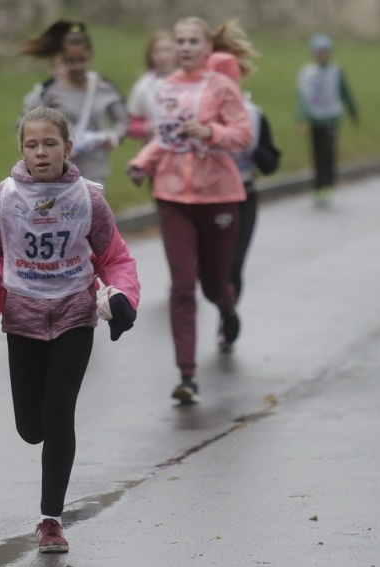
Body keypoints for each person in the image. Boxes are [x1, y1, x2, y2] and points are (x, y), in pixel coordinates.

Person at [0, 106, 140, 553]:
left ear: (67, 148)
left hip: (75, 315)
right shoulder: (5, 197)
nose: (41, 152)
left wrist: (121, 296)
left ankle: (50, 520)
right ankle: (48, 498)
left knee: (58, 413)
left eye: (50, 143)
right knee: (31, 427)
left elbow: (114, 257)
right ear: (21, 149)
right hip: (24, 320)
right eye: (32, 144)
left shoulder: (88, 198)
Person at [126, 16, 253, 405]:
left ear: (206, 47)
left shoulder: (223, 87)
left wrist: (211, 132)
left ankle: (228, 311)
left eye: (192, 41)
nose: (183, 48)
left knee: (215, 283)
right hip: (172, 196)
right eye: (179, 41)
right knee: (182, 286)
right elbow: (164, 139)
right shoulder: (163, 88)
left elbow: (244, 136)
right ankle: (187, 375)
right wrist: (142, 162)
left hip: (217, 195)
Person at [204, 46, 281, 350]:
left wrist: (252, 150)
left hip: (243, 196)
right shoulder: (196, 113)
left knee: (232, 264)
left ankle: (227, 316)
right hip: (206, 198)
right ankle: (224, 304)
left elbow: (271, 162)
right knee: (208, 268)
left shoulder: (253, 115)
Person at [19, 20, 130, 185]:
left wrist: (114, 137)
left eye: (81, 61)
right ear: (61, 59)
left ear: (90, 55)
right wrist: (46, 143)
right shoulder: (49, 90)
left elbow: (123, 120)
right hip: (58, 170)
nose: (77, 67)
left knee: (92, 209)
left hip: (94, 169)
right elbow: (25, 123)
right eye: (71, 62)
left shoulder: (105, 87)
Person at [296, 34, 359, 207]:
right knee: (317, 155)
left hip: (331, 119)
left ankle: (328, 185)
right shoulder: (307, 72)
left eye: (325, 52)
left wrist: (353, 113)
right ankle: (318, 186)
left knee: (329, 153)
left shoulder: (336, 71)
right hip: (315, 120)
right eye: (319, 52)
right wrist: (302, 118)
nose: (322, 55)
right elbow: (303, 98)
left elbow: (345, 93)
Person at [126, 30, 178, 142]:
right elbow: (129, 124)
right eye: (158, 51)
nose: (163, 57)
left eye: (168, 51)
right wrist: (147, 128)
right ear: (150, 56)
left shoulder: (188, 82)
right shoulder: (144, 86)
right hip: (153, 149)